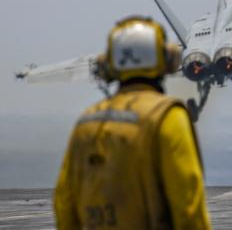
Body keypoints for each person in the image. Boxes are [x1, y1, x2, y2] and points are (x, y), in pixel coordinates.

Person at [54, 16, 211, 229]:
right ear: (166, 59)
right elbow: (189, 209)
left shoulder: (86, 122)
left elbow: (64, 203)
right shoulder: (168, 117)